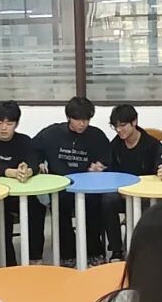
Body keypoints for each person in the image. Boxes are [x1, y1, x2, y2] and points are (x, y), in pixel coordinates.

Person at [33, 96, 112, 265]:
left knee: (94, 207)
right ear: (69, 117)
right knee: (59, 207)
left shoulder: (96, 136)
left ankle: (94, 250)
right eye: (78, 120)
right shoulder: (52, 133)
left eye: (86, 120)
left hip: (88, 187)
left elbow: (108, 157)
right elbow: (33, 149)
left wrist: (100, 166)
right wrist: (38, 162)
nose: (82, 124)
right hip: (62, 186)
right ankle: (67, 253)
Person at [0, 101, 47, 265]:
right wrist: (9, 172)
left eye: (9, 124)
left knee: (37, 209)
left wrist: (27, 170)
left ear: (16, 124)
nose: (3, 128)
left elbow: (33, 162)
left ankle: (35, 257)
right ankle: (8, 263)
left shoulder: (24, 141)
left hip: (22, 194)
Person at [102, 105, 162, 261]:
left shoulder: (153, 145)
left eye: (123, 125)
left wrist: (135, 191)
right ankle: (116, 250)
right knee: (107, 200)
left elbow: (159, 175)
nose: (119, 130)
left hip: (146, 194)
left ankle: (136, 251)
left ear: (134, 122)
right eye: (115, 126)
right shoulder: (115, 145)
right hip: (122, 193)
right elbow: (111, 172)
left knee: (143, 206)